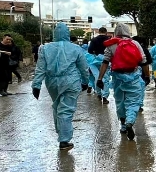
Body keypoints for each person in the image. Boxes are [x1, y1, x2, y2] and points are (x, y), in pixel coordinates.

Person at [32, 23, 89, 151]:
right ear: (67, 34)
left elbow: (40, 68)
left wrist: (36, 85)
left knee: (57, 106)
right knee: (66, 109)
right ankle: (64, 139)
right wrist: (86, 82)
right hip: (71, 81)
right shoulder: (76, 48)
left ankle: (61, 132)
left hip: (52, 82)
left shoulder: (44, 48)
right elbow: (83, 68)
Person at [97, 23, 147, 140]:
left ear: (115, 32)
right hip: (133, 76)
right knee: (133, 102)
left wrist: (100, 78)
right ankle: (130, 121)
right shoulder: (135, 43)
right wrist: (148, 76)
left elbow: (105, 62)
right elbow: (144, 61)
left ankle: (123, 125)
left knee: (120, 102)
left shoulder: (111, 45)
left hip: (118, 78)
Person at [87, 27, 111, 104]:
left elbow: (89, 50)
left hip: (96, 60)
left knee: (97, 77)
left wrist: (95, 53)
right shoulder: (109, 39)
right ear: (106, 32)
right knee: (106, 79)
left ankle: (99, 94)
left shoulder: (94, 40)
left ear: (99, 32)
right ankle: (105, 97)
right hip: (106, 60)